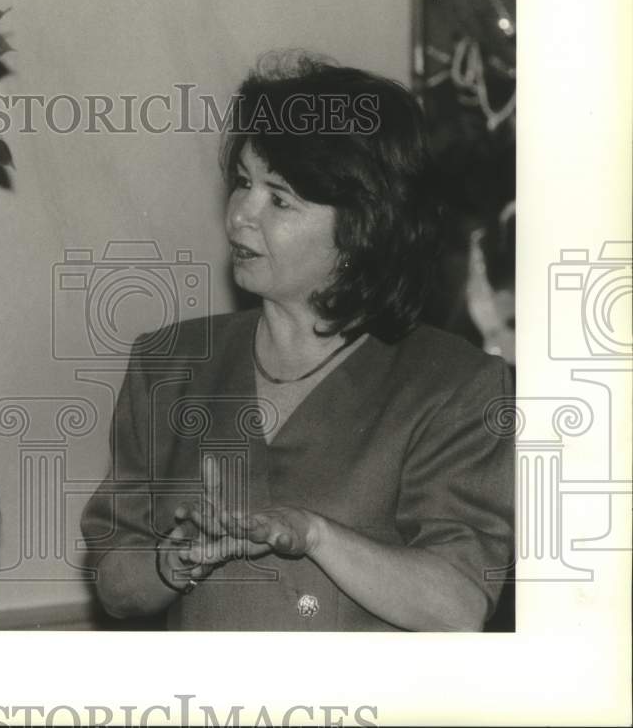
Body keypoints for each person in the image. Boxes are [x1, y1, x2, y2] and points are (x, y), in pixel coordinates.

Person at [81, 55, 514, 631]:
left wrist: (314, 534)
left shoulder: (455, 384)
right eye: (242, 183)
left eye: (278, 199)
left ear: (360, 228)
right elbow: (114, 583)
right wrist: (173, 559)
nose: (239, 217)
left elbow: (457, 605)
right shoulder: (168, 363)